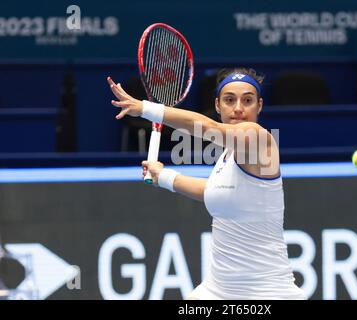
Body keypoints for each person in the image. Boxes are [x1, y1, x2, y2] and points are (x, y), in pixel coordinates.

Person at [107, 68, 305, 300]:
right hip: (218, 289)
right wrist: (165, 177)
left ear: (259, 106)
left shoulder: (259, 139)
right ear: (218, 105)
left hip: (267, 293)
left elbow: (210, 128)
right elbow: (212, 191)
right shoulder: (227, 155)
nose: (239, 108)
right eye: (229, 100)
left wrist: (147, 109)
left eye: (247, 100)